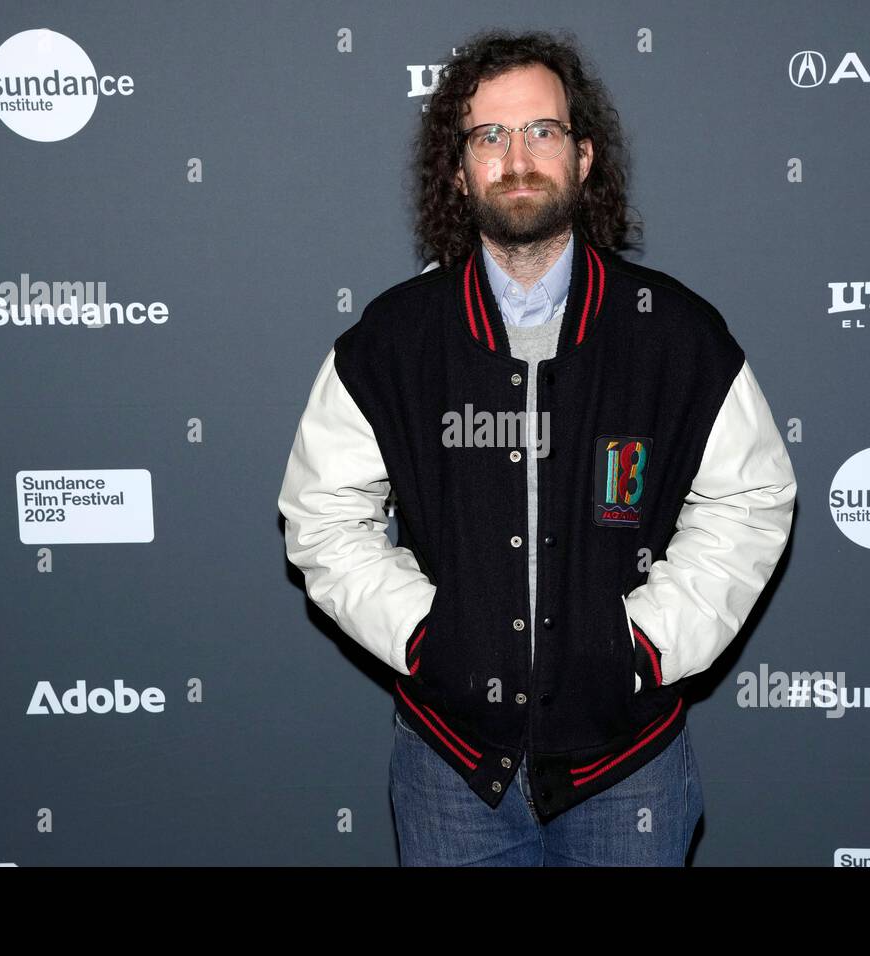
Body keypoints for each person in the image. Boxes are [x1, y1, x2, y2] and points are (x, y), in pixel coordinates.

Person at [278, 29, 797, 866]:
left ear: (584, 156)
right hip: (453, 768)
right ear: (459, 169)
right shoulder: (393, 342)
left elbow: (751, 499)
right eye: (490, 136)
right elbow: (321, 516)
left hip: (629, 763)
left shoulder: (672, 334)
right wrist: (427, 635)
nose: (517, 156)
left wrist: (648, 642)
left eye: (542, 132)